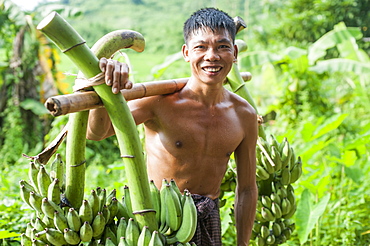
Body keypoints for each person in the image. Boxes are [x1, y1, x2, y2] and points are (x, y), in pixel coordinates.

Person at [87, 7, 258, 246]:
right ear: (186, 53)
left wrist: (243, 244)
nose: (212, 56)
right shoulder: (159, 102)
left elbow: (247, 189)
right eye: (201, 47)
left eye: (222, 46)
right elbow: (96, 132)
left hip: (207, 220)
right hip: (156, 221)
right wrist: (106, 85)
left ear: (235, 52)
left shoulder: (244, 114)